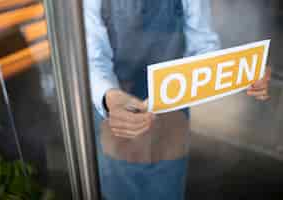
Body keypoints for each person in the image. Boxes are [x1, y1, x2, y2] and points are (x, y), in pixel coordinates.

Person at [84, 0, 271, 200]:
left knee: (166, 190)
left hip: (171, 120)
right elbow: (92, 60)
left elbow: (203, 47)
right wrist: (110, 97)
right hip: (115, 114)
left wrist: (245, 74)